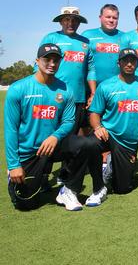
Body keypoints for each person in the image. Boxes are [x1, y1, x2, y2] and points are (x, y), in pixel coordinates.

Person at [4, 44, 105, 211]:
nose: (52, 63)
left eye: (56, 60)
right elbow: (11, 129)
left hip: (53, 146)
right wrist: (14, 165)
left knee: (86, 144)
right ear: (37, 61)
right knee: (25, 203)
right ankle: (20, 175)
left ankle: (69, 189)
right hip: (29, 152)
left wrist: (55, 136)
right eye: (47, 59)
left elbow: (68, 122)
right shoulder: (18, 89)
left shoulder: (65, 89)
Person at [87, 48, 138, 194]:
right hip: (108, 134)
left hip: (129, 142)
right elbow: (94, 113)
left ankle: (112, 162)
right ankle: (91, 182)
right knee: (88, 144)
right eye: (125, 61)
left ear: (137, 63)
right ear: (119, 63)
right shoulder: (105, 85)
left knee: (122, 189)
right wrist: (98, 127)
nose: (129, 64)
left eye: (133, 61)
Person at [40, 6, 96, 133]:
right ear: (60, 21)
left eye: (75, 20)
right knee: (52, 135)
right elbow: (39, 66)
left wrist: (93, 93)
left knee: (75, 138)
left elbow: (91, 68)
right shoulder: (51, 38)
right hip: (54, 96)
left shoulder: (85, 42)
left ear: (79, 22)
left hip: (78, 98)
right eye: (66, 20)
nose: (71, 23)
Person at [82, 4, 123, 85]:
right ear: (100, 17)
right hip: (91, 88)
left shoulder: (124, 37)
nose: (111, 20)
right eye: (108, 17)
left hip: (116, 88)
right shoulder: (87, 35)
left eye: (115, 18)